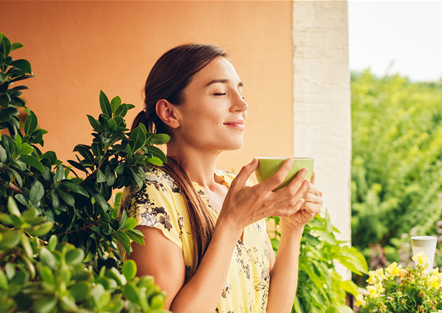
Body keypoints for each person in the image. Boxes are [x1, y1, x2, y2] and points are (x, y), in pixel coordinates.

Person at [117, 44, 323, 313]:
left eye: (240, 92)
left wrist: (292, 229)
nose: (242, 105)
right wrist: (232, 223)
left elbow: (273, 309)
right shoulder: (152, 194)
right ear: (169, 113)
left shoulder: (237, 190)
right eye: (220, 92)